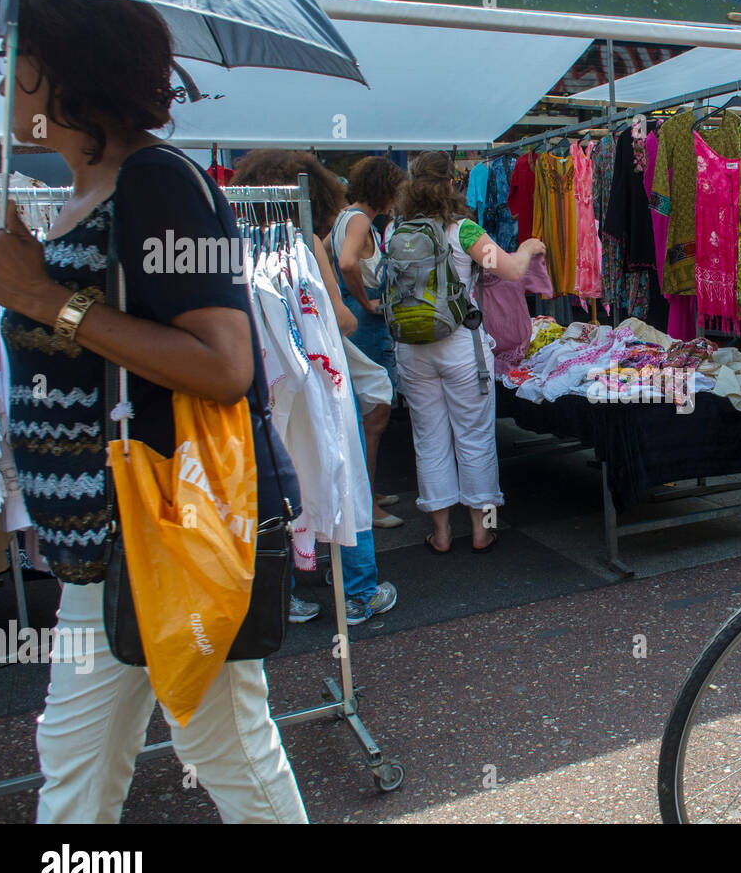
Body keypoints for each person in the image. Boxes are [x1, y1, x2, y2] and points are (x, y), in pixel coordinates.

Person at [0, 0, 305, 821]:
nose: (2, 79)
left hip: (163, 532)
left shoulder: (157, 183)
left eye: (10, 62)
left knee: (226, 752)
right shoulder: (79, 199)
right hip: (104, 550)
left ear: (50, 74)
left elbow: (224, 362)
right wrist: (32, 283)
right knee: (77, 771)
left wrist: (41, 298)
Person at [230, 150, 397, 626]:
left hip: (261, 385)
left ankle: (281, 595)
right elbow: (341, 320)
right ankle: (360, 591)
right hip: (319, 385)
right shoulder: (305, 245)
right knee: (343, 476)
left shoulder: (229, 246)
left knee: (274, 483)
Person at [392, 152, 545, 553]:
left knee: (429, 439)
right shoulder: (464, 231)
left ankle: (441, 534)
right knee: (474, 437)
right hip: (461, 346)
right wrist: (527, 248)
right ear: (449, 184)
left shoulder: (399, 229)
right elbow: (510, 269)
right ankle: (481, 530)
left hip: (411, 349)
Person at [328, 155, 406, 529]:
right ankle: (367, 506)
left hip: (354, 318)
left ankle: (367, 492)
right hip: (365, 323)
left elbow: (326, 253)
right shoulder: (360, 221)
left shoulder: (346, 216)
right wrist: (361, 301)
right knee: (373, 415)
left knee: (364, 413)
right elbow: (344, 262)